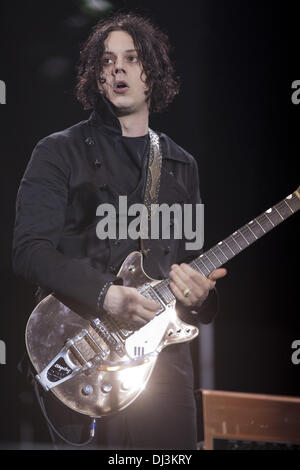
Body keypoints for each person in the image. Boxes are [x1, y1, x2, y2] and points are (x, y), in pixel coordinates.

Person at [13, 12, 226, 450]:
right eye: (107, 61)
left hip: (163, 366)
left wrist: (199, 297)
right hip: (80, 350)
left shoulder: (182, 165)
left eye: (132, 58)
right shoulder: (58, 151)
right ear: (96, 76)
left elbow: (189, 266)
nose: (118, 68)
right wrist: (105, 294)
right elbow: (29, 251)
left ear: (153, 74)